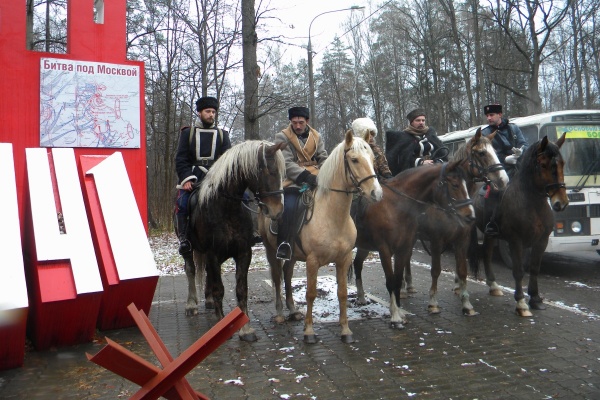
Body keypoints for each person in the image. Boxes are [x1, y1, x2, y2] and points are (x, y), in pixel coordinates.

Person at [175, 96, 231, 254]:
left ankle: (247, 233)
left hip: (217, 177)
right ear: (199, 112)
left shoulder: (222, 135)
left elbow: (228, 158)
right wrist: (186, 179)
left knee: (244, 198)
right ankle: (184, 238)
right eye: (208, 111)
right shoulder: (188, 133)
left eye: (213, 112)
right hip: (194, 177)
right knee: (183, 203)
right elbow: (181, 159)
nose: (211, 115)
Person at [273, 106, 328, 260]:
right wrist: (306, 176)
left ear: (307, 121)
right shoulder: (282, 137)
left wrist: (325, 174)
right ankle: (284, 244)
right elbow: (287, 163)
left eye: (301, 122)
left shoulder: (317, 136)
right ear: (290, 121)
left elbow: (323, 157)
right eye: (295, 122)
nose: (297, 126)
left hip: (317, 177)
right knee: (289, 207)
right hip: (293, 180)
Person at [480, 104, 529, 236]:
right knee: (494, 192)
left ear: (500, 114)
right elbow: (488, 154)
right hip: (498, 169)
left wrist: (520, 152)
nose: (489, 118)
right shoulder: (485, 133)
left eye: (492, 115)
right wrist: (505, 159)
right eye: (487, 116)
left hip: (518, 168)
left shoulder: (513, 128)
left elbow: (523, 143)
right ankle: (492, 222)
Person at [385, 108, 447, 175]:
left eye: (423, 120)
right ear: (412, 122)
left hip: (433, 171)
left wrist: (437, 161)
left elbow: (440, 152)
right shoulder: (404, 138)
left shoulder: (431, 135)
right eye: (418, 120)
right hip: (414, 174)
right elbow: (403, 159)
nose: (421, 122)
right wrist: (421, 162)